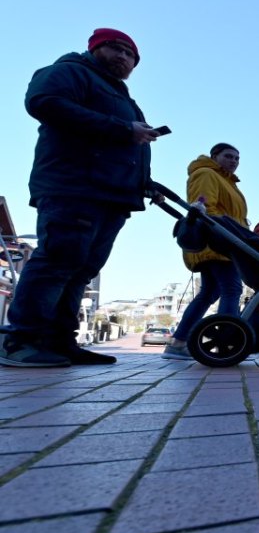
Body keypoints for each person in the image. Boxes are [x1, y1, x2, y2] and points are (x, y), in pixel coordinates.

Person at [0, 28, 161, 368]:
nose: (124, 57)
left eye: (131, 55)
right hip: (74, 185)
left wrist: (143, 182)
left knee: (82, 270)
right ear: (95, 48)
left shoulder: (123, 98)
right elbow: (44, 103)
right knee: (58, 260)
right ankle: (19, 340)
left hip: (113, 194)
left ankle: (60, 341)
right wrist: (123, 129)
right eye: (116, 49)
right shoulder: (71, 71)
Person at [163, 144, 248, 359]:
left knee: (209, 293)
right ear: (214, 157)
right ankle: (227, 346)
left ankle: (178, 343)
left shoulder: (227, 182)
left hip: (223, 242)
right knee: (232, 289)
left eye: (237, 158)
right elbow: (205, 208)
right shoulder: (206, 174)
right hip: (218, 242)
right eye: (228, 156)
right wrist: (233, 234)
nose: (234, 161)